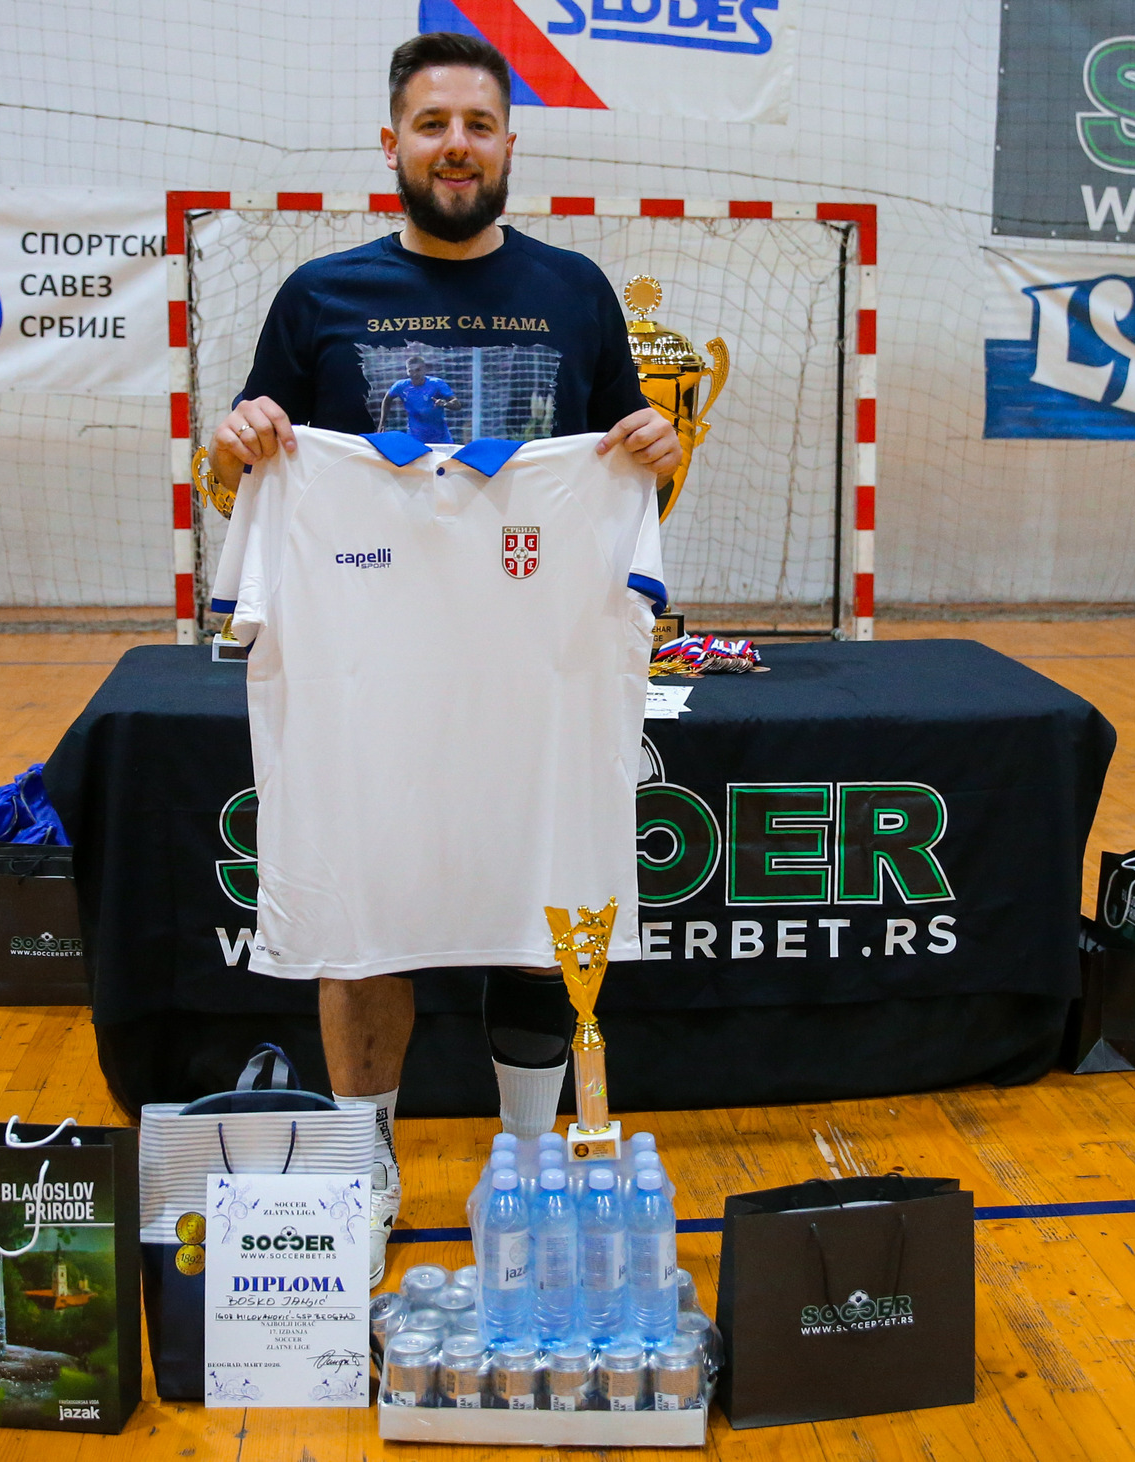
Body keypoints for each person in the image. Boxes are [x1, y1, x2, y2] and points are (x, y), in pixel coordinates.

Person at [206, 30, 683, 1285]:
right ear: (392, 144)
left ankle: (524, 1160)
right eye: (432, 125)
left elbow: (625, 493)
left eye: (477, 124)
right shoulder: (319, 297)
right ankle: (363, 1160)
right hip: (367, 681)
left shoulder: (575, 291)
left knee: (540, 901)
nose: (455, 146)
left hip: (532, 674)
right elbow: (236, 491)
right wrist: (234, 446)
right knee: (358, 924)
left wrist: (658, 451)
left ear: (510, 144)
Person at [378, 354, 457, 442]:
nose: (414, 374)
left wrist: (446, 404)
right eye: (410, 371)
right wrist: (382, 423)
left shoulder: (437, 384)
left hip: (440, 436)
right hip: (416, 437)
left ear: (424, 370)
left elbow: (457, 405)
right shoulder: (401, 386)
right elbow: (387, 399)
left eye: (418, 370)